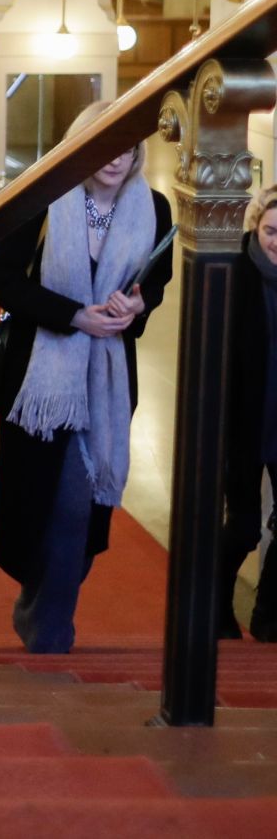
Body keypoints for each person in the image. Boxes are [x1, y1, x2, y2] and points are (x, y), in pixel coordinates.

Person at [0, 99, 172, 654]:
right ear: (79, 146)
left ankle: (49, 625)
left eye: (128, 147)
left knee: (80, 510)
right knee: (39, 506)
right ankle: (43, 612)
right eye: (103, 147)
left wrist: (136, 308)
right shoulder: (43, 198)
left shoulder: (154, 208)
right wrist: (74, 315)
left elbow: (155, 283)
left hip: (108, 382)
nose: (116, 159)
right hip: (41, 382)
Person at [219, 184, 277, 642]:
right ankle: (215, 604)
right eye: (272, 230)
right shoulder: (234, 274)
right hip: (243, 422)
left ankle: (268, 615)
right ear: (257, 226)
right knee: (242, 528)